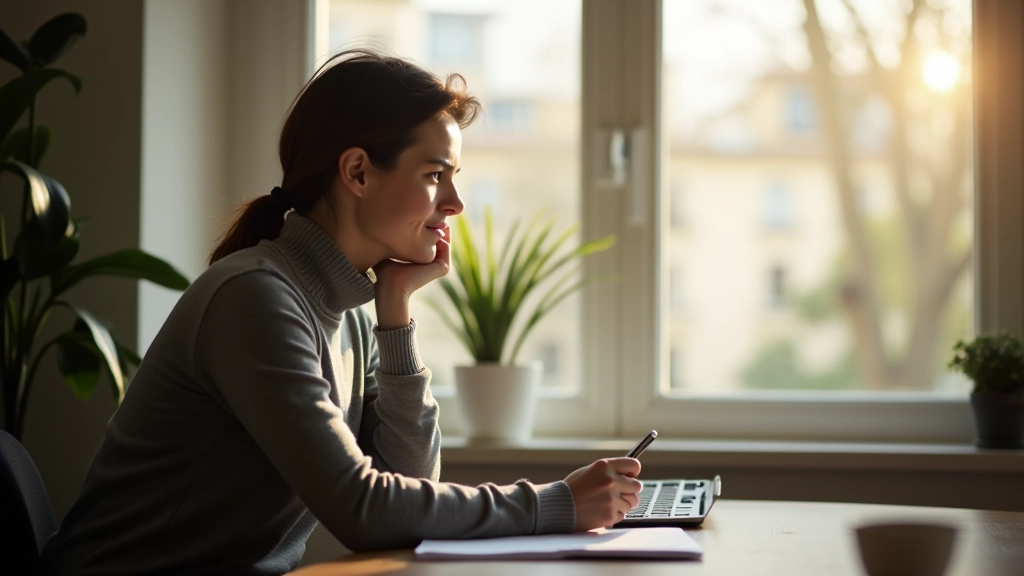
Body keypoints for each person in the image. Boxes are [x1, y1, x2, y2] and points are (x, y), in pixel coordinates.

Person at [39, 49, 642, 575]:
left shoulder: (349, 309)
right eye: (435, 175)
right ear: (356, 171)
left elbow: (412, 486)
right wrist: (555, 502)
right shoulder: (256, 298)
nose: (455, 203)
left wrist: (397, 310)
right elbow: (362, 510)